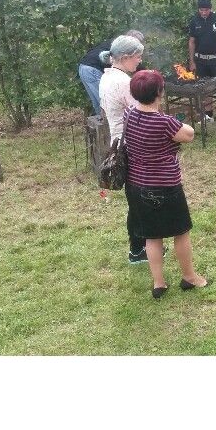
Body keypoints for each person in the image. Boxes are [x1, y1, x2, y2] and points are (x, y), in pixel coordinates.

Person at [123, 70, 209, 299]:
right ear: (160, 92)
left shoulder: (129, 115)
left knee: (152, 236)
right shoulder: (165, 122)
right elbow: (189, 134)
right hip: (165, 186)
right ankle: (190, 277)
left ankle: (159, 283)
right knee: (181, 232)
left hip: (136, 185)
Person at [98, 34, 147, 264]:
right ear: (126, 57)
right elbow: (140, 113)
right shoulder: (123, 82)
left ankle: (140, 247)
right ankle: (138, 249)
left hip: (117, 143)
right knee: (138, 200)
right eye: (137, 57)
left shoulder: (106, 78)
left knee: (135, 199)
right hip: (130, 145)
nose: (139, 61)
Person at [78, 30, 145, 115]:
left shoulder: (117, 44)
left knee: (98, 101)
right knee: (104, 103)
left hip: (84, 67)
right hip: (91, 69)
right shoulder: (121, 47)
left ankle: (102, 120)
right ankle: (105, 124)